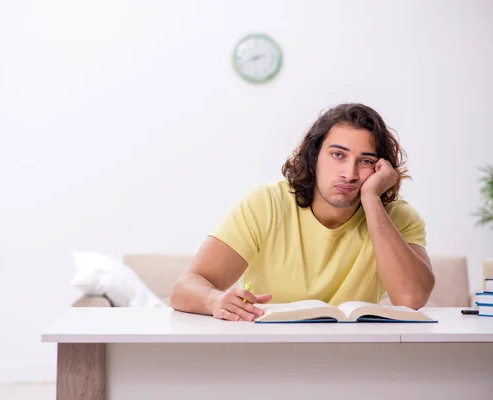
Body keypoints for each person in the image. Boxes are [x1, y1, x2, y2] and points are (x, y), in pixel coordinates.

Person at [169, 103, 435, 321]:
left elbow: (410, 299)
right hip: (267, 352)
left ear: (381, 168)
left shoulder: (396, 216)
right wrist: (215, 299)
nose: (349, 173)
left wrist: (371, 199)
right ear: (314, 155)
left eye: (365, 161)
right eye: (338, 155)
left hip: (355, 357)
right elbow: (184, 287)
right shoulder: (266, 205)